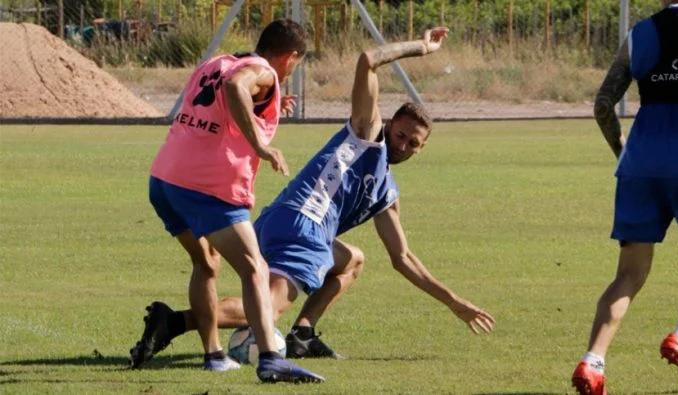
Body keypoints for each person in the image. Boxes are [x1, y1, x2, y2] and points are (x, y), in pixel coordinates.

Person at [131, 26, 495, 364]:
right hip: (303, 225)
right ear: (389, 124)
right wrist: (422, 47)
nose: (401, 145)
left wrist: (454, 302)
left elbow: (402, 258)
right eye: (400, 134)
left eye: (412, 143)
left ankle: (303, 332)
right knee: (266, 307)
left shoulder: (387, 190)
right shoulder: (368, 133)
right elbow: (368, 60)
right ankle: (175, 322)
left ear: (421, 150)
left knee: (352, 260)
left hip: (291, 222)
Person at [130, 19, 324, 383]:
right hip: (207, 188)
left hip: (165, 179)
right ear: (291, 56)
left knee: (206, 263)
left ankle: (214, 355)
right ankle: (271, 358)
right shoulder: (262, 72)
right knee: (255, 268)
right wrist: (259, 145)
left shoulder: (218, 62)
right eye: (296, 63)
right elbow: (237, 87)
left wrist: (260, 109)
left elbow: (222, 98)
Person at [571, 1, 678, 394]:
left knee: (628, 275)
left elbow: (603, 105)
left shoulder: (638, 35)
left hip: (640, 165)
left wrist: (624, 153)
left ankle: (593, 362)